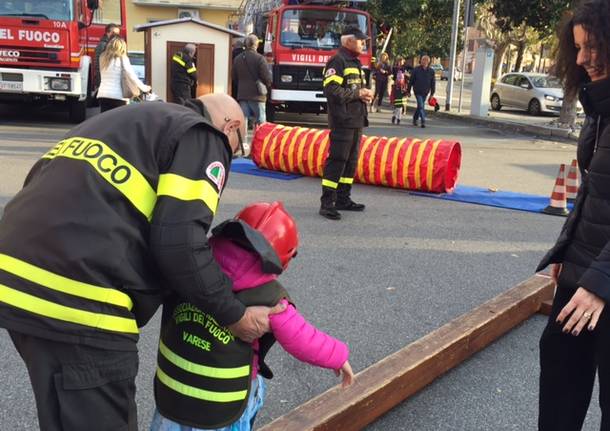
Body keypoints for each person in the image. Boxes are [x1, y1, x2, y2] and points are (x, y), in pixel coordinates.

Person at [0, 94, 284, 431]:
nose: (230, 155)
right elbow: (180, 242)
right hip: (81, 301)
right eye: (235, 149)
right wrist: (233, 314)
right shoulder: (202, 135)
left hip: (16, 284)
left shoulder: (123, 121)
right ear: (232, 127)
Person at [150, 201, 353, 431]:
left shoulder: (191, 270)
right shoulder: (271, 299)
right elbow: (303, 339)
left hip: (173, 395)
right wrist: (337, 356)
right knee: (254, 389)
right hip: (222, 406)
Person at [536, 1, 610, 430]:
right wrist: (567, 246)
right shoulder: (600, 106)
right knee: (561, 382)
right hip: (583, 270)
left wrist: (601, 284)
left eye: (594, 46)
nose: (582, 59)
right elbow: (593, 192)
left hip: (603, 282)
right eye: (578, 48)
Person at [319, 26, 373, 220]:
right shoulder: (337, 60)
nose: (363, 43)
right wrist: (357, 94)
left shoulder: (355, 62)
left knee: (351, 162)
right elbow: (331, 90)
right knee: (337, 160)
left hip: (356, 119)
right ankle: (327, 203)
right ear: (349, 41)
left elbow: (353, 89)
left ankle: (343, 198)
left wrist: (364, 94)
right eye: (360, 40)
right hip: (343, 120)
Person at [97, 37, 151, 112]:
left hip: (103, 94)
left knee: (106, 120)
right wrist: (144, 88)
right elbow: (132, 76)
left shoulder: (102, 58)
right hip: (118, 96)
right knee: (119, 121)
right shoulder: (123, 58)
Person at [232, 34, 272, 127]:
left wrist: (242, 85)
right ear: (256, 45)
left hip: (243, 95)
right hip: (257, 96)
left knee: (243, 120)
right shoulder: (260, 59)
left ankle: (243, 140)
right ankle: (259, 141)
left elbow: (234, 77)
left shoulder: (237, 59)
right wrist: (267, 86)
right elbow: (266, 77)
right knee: (261, 122)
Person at [408, 55, 435, 128]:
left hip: (425, 91)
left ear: (428, 62)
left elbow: (433, 83)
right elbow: (411, 81)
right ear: (421, 61)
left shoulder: (431, 71)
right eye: (423, 60)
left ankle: (415, 119)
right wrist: (408, 91)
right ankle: (423, 121)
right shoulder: (416, 70)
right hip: (417, 91)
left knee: (420, 106)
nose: (425, 61)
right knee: (421, 106)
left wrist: (432, 93)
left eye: (426, 60)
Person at [94, 23, 120, 91]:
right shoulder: (103, 45)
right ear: (108, 32)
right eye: (114, 33)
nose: (116, 35)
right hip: (103, 80)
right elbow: (97, 64)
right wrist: (100, 80)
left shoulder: (112, 44)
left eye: (118, 33)